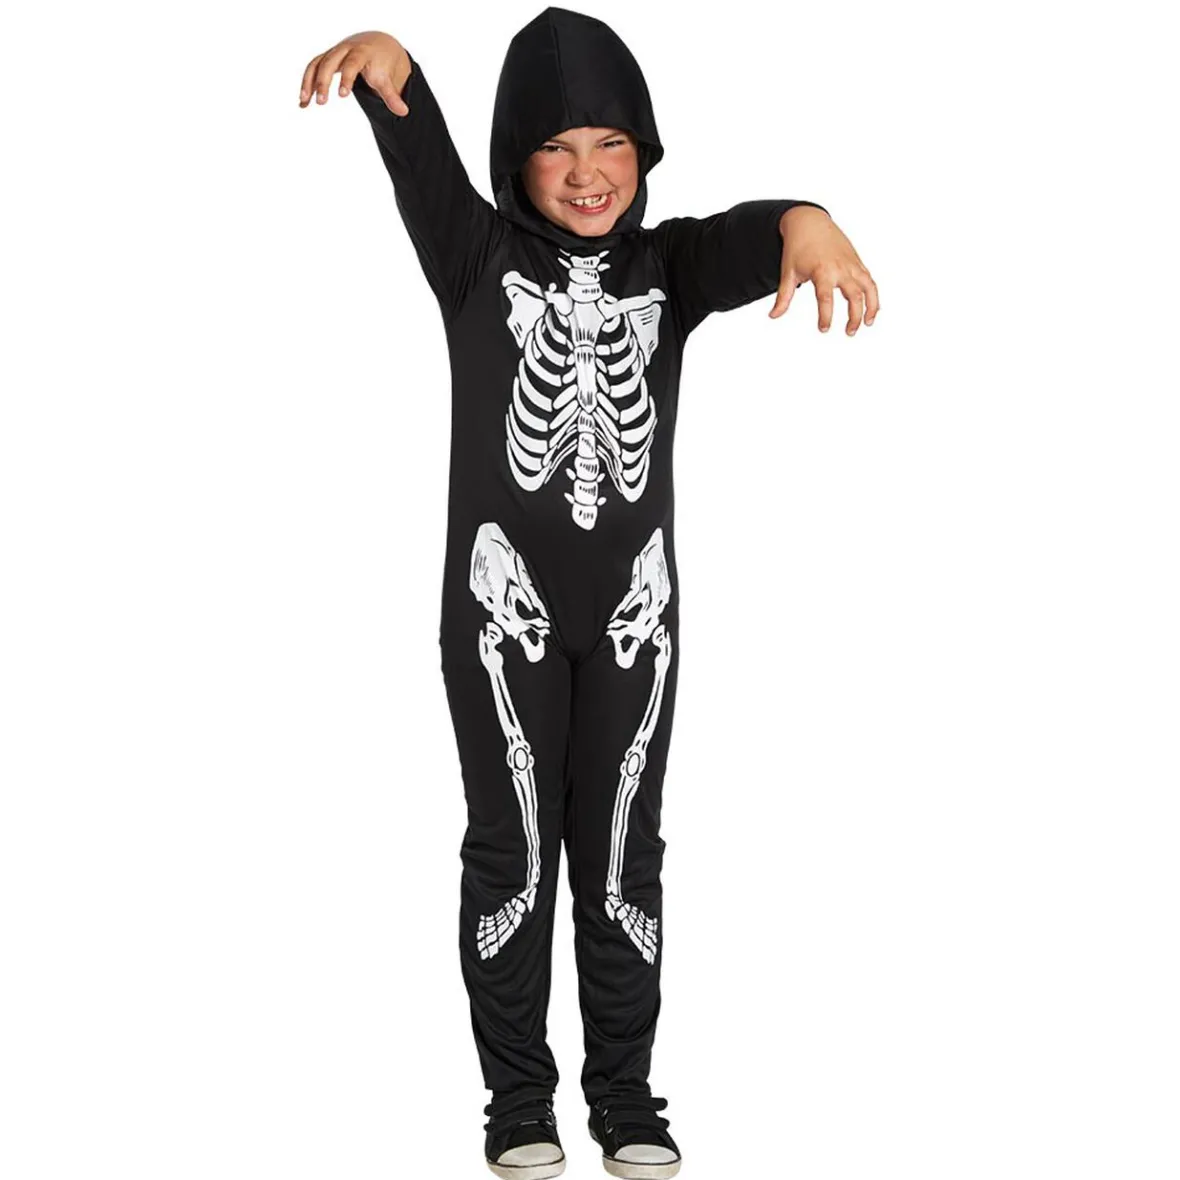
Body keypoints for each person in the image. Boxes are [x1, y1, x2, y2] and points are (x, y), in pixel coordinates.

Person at [299, 8, 878, 1178]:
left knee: (620, 854)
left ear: (644, 152)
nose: (584, 172)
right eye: (555, 146)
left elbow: (746, 236)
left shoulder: (667, 269)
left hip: (633, 618)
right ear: (515, 159)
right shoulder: (476, 260)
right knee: (512, 849)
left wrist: (806, 219)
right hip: (497, 607)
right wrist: (393, 76)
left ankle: (625, 1097)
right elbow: (424, 165)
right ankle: (519, 1102)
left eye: (610, 143)